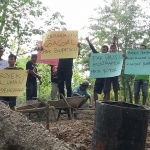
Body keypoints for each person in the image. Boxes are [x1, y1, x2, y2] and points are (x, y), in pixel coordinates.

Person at [85, 37, 109, 106]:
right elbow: (93, 49)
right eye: (103, 48)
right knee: (95, 91)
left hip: (106, 76)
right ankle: (96, 105)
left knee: (106, 91)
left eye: (105, 49)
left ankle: (105, 105)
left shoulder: (110, 57)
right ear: (101, 50)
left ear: (107, 50)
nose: (104, 49)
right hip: (99, 76)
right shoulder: (98, 55)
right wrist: (88, 40)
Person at [103, 37, 120, 101]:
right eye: (111, 48)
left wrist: (114, 41)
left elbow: (124, 58)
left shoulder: (118, 55)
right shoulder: (106, 55)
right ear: (110, 49)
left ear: (116, 49)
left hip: (115, 74)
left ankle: (116, 102)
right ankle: (107, 101)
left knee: (116, 89)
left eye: (114, 48)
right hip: (108, 74)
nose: (113, 49)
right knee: (107, 90)